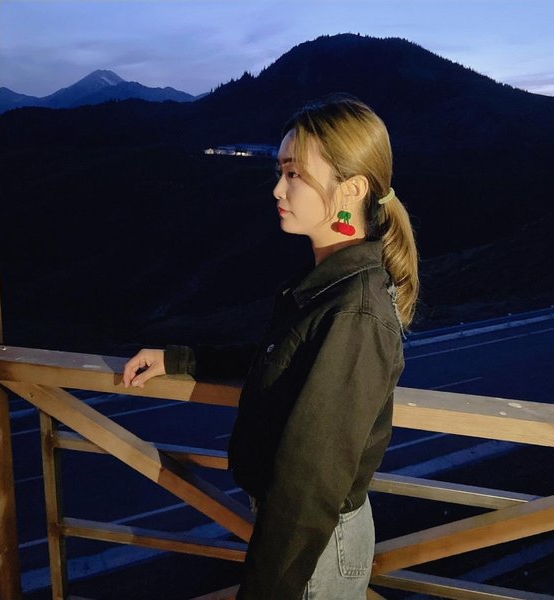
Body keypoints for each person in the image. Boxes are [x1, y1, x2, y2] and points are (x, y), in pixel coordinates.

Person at [122, 94, 419, 600]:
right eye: (280, 171)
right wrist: (178, 359)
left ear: (351, 189)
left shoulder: (354, 312)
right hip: (302, 539)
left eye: (294, 174)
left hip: (310, 549)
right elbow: (277, 355)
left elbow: (311, 482)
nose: (278, 189)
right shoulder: (330, 284)